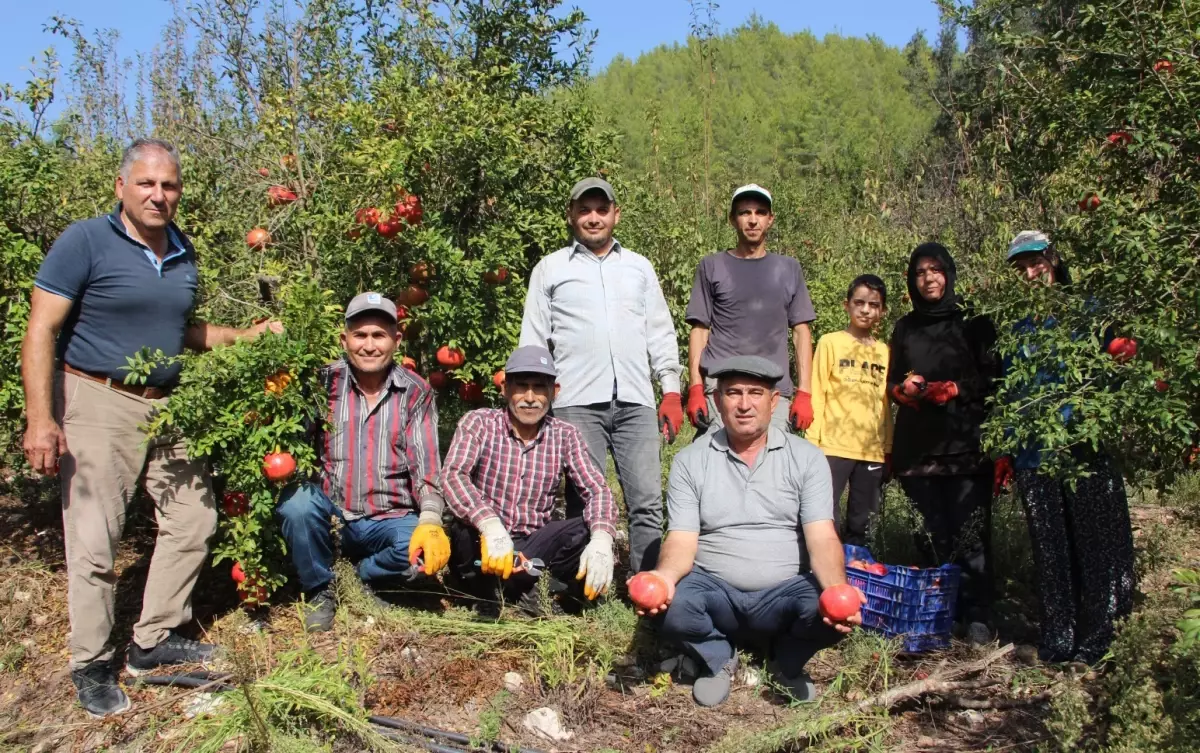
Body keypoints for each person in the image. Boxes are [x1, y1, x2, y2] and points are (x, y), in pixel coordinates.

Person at [20, 138, 282, 718]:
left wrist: (245, 337)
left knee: (195, 518)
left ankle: (153, 642)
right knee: (95, 539)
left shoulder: (183, 251)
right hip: (96, 398)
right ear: (121, 187)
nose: (157, 195)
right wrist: (41, 419)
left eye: (168, 186)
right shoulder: (83, 241)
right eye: (146, 184)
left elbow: (181, 331)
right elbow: (40, 329)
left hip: (168, 403)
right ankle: (90, 662)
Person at [639, 356, 862, 708]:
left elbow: (821, 536)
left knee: (830, 614)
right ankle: (716, 658)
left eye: (755, 393)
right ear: (717, 401)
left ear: (774, 402)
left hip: (784, 593)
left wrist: (837, 589)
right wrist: (664, 579)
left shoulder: (807, 458)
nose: (744, 404)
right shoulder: (690, 461)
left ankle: (785, 661)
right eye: (733, 393)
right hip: (716, 591)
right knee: (672, 608)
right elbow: (682, 538)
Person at [519, 177, 682, 573]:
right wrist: (531, 394)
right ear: (571, 215)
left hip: (635, 401)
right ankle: (585, 584)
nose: (593, 218)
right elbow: (534, 337)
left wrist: (671, 391)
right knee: (582, 501)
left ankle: (646, 586)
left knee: (646, 501)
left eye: (601, 209)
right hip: (576, 402)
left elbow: (660, 330)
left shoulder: (638, 267)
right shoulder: (551, 268)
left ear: (616, 214)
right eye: (585, 210)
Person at [998, 230, 1135, 663]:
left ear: (1053, 260)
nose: (1030, 272)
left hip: (1083, 452)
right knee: (1051, 549)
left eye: (1035, 262)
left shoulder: (1089, 315)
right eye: (1021, 267)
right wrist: (1007, 451)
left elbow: (1114, 376)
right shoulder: (1017, 330)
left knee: (1096, 545)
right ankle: (1059, 639)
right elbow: (1011, 394)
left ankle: (1099, 641)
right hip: (1034, 457)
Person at [275, 293, 449, 633]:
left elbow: (427, 469)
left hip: (387, 519)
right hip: (332, 514)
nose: (369, 346)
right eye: (360, 335)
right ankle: (319, 589)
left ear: (396, 341)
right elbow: (294, 454)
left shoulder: (416, 393)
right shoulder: (320, 384)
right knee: (297, 506)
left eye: (379, 335)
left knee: (420, 549)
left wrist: (430, 521)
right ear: (345, 340)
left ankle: (356, 576)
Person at [442, 345, 618, 615]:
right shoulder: (478, 423)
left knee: (584, 528)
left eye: (539, 388)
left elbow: (598, 490)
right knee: (461, 531)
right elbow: (454, 475)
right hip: (482, 541)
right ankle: (481, 589)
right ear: (504, 389)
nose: (530, 397)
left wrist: (603, 539)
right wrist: (489, 524)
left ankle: (531, 589)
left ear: (554, 392)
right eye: (521, 386)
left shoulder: (565, 435)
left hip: (530, 545)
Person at [887, 242, 998, 645]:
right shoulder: (905, 327)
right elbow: (893, 379)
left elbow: (993, 377)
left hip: (966, 446)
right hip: (918, 450)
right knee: (931, 536)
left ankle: (978, 614)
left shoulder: (974, 321)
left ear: (949, 273)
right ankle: (940, 614)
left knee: (970, 533)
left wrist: (955, 388)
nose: (928, 278)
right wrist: (903, 391)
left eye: (935, 269)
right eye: (920, 272)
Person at [684, 184, 817, 437]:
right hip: (722, 387)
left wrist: (805, 393)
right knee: (715, 467)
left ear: (770, 219)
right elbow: (699, 329)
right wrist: (695, 388)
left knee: (774, 468)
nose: (753, 220)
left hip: (773, 390)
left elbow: (801, 331)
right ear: (732, 220)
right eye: (745, 213)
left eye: (760, 212)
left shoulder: (788, 269)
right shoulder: (712, 266)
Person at [808, 275, 893, 545]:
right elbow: (817, 391)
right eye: (859, 303)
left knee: (862, 522)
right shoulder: (830, 342)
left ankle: (857, 574)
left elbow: (884, 403)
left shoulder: (884, 352)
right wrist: (813, 443)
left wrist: (888, 448)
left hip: (871, 450)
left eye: (873, 305)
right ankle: (825, 578)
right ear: (847, 305)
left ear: (882, 311)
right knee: (824, 518)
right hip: (832, 447)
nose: (866, 310)